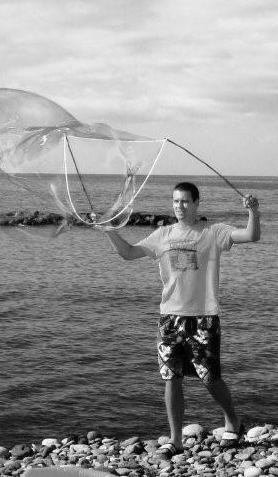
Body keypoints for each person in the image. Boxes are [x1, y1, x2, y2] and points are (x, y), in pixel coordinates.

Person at [99, 181, 261, 458]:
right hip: (170, 318)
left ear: (197, 204)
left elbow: (251, 235)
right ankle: (175, 440)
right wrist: (109, 230)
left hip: (203, 317)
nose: (179, 206)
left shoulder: (213, 232)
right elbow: (128, 254)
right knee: (171, 378)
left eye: (185, 201)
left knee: (210, 377)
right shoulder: (162, 235)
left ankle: (232, 420)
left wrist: (253, 211)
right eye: (175, 201)